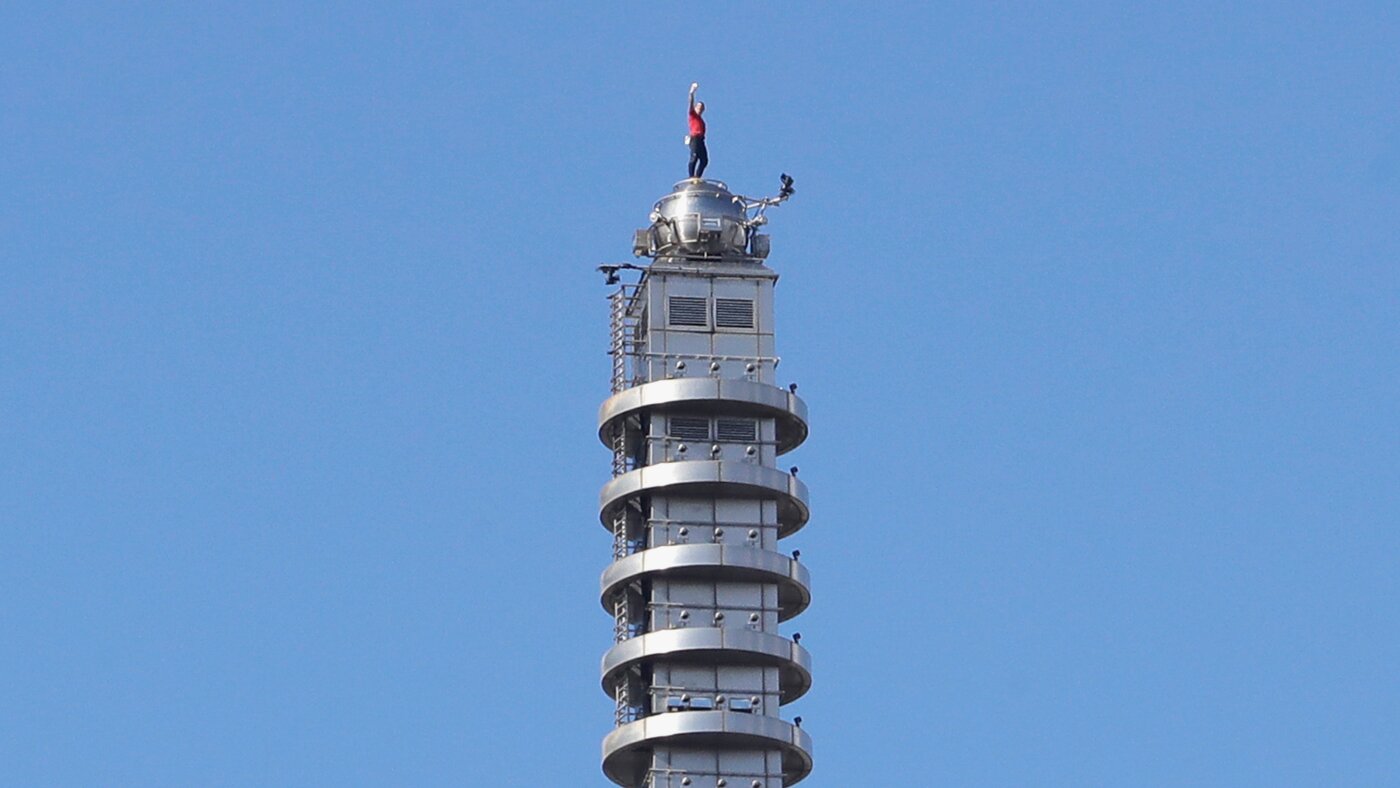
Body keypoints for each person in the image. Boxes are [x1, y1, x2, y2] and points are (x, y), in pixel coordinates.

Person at [686, 82, 708, 179]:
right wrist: (692, 92)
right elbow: (690, 103)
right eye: (698, 107)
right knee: (694, 157)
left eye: (701, 108)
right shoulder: (693, 115)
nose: (700, 109)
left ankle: (697, 177)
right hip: (694, 138)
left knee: (704, 160)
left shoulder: (702, 122)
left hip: (700, 140)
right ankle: (691, 177)